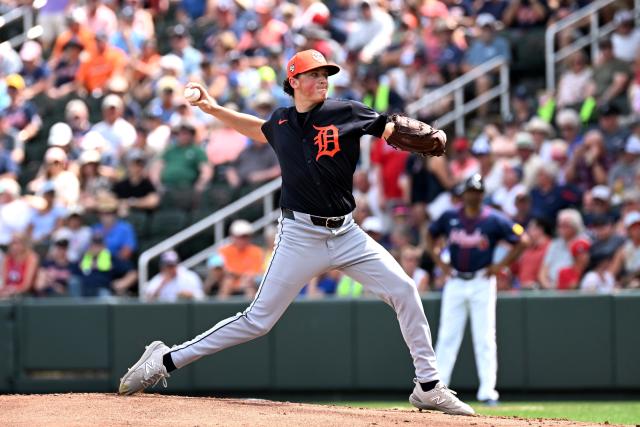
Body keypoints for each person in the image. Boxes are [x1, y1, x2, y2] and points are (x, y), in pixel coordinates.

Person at [119, 49, 473, 416]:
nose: (323, 79)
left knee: (404, 289)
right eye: (314, 74)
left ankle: (429, 385)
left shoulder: (345, 111)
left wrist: (420, 130)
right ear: (294, 81)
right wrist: (213, 110)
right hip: (300, 235)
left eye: (326, 74)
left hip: (347, 233)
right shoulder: (282, 122)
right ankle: (165, 359)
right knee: (257, 321)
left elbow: (388, 126)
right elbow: (257, 129)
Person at [425, 174, 528, 405]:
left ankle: (488, 392)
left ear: (482, 194)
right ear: (464, 193)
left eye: (477, 191)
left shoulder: (493, 219)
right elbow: (429, 235)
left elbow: (523, 239)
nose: (473, 194)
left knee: (484, 337)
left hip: (482, 280)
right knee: (447, 336)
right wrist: (441, 263)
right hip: (456, 280)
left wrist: (500, 266)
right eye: (470, 190)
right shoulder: (450, 216)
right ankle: (438, 391)